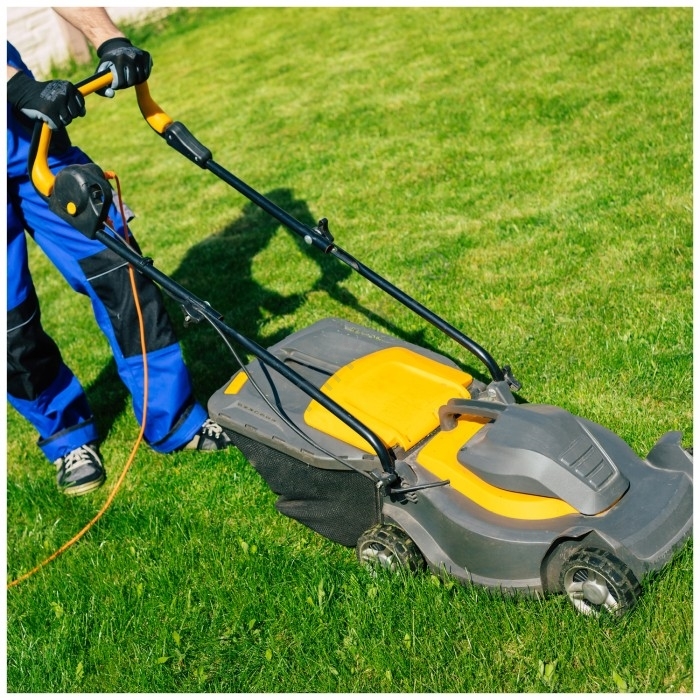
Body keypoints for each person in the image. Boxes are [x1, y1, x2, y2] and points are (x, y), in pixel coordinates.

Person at [7, 8, 231, 497]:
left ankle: (172, 420)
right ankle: (65, 434)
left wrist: (110, 40)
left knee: (121, 272)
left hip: (29, 141)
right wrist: (17, 86)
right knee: (10, 328)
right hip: (17, 98)